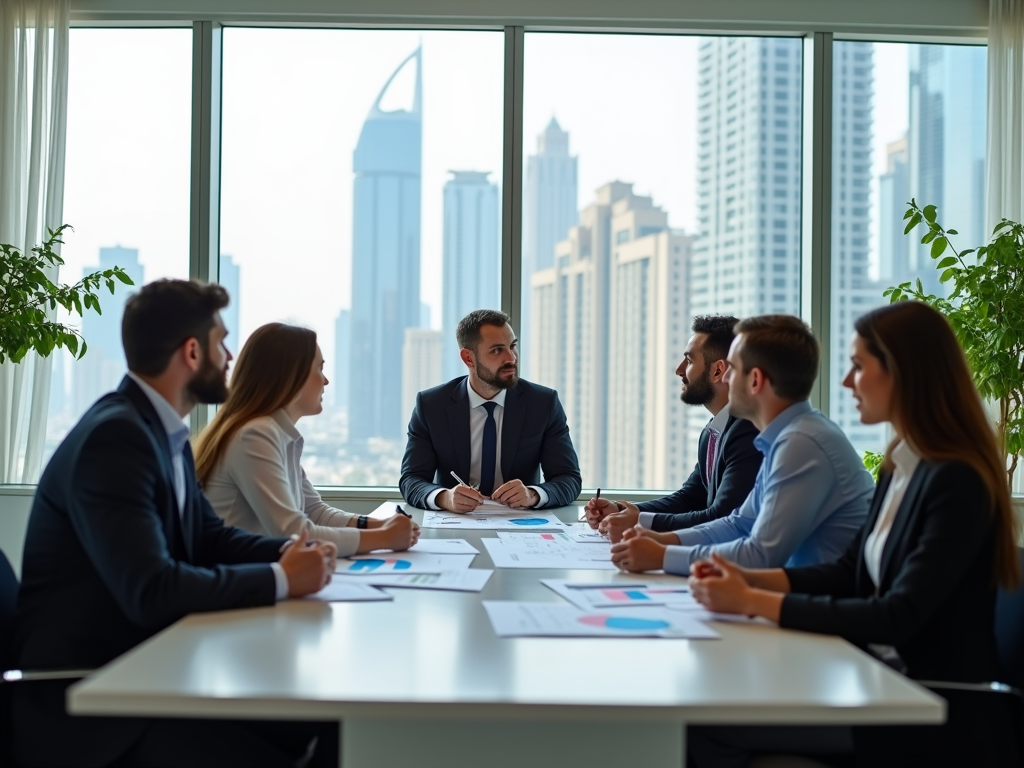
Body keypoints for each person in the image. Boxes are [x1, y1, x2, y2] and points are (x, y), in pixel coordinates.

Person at [11, 280, 338, 768]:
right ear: (191, 352)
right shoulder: (116, 438)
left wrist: (288, 556)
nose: (229, 356)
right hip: (95, 695)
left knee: (324, 720)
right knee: (304, 730)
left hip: (150, 665)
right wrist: (281, 578)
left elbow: (208, 537)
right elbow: (152, 589)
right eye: (220, 342)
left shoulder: (163, 433)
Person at [685, 301, 1022, 768]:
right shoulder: (901, 464)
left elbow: (897, 614)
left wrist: (751, 601)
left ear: (903, 373)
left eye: (858, 367)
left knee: (708, 724)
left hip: (930, 705)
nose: (845, 382)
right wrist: (745, 580)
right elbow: (851, 571)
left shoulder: (956, 480)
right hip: (875, 676)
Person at [610, 314, 872, 575]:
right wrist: (663, 540)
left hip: (818, 604)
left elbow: (761, 554)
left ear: (755, 380)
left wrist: (664, 556)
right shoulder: (784, 437)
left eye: (732, 369)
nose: (724, 379)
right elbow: (738, 524)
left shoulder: (802, 443)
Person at [196, 322, 418, 555]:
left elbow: (315, 512)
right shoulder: (256, 434)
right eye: (320, 369)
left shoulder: (278, 433)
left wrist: (381, 525)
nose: (325, 381)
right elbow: (292, 532)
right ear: (292, 376)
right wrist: (383, 538)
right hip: (240, 581)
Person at [583, 315, 761, 542]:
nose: (679, 370)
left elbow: (722, 517)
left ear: (718, 371)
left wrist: (640, 522)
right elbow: (691, 497)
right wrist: (622, 510)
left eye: (688, 361)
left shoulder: (748, 431)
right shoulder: (713, 431)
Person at [400, 309, 582, 512]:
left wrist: (533, 494)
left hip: (522, 526)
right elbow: (411, 479)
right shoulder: (431, 405)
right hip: (456, 524)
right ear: (468, 358)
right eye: (497, 350)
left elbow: (569, 479)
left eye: (513, 346)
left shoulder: (543, 403)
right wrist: (444, 498)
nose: (511, 358)